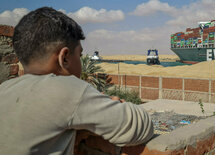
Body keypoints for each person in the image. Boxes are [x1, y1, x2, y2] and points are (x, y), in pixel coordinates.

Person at [0, 7, 153, 154]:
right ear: (64, 58)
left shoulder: (5, 88)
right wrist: (112, 104)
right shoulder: (66, 88)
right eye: (79, 56)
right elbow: (141, 127)